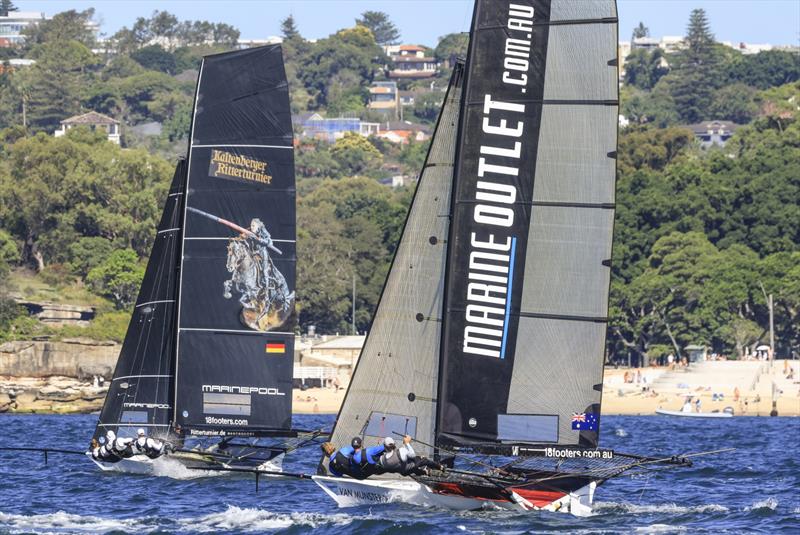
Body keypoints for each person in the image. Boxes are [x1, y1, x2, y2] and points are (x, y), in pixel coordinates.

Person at [377, 435, 443, 476]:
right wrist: (407, 443)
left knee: (411, 466)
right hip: (410, 467)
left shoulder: (382, 459)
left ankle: (426, 472)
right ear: (394, 444)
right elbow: (413, 455)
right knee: (423, 459)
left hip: (403, 473)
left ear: (384, 446)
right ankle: (440, 467)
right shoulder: (401, 451)